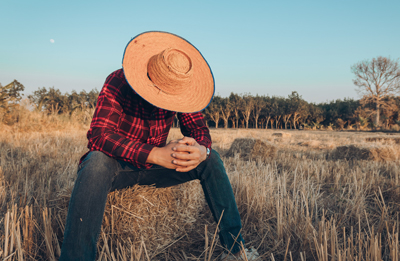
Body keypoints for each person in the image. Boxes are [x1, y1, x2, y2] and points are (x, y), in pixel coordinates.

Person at [59, 31, 259, 261]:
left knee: (211, 159)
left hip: (155, 170)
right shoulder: (118, 81)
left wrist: (200, 149)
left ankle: (236, 250)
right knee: (95, 161)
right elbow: (99, 135)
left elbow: (199, 131)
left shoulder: (181, 92)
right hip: (117, 167)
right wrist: (155, 154)